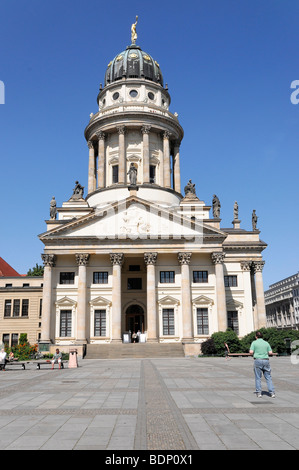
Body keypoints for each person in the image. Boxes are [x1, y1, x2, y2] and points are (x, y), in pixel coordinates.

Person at [249, 331, 275, 398]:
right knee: (268, 377)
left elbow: (251, 352)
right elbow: (270, 352)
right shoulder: (266, 343)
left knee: (258, 377)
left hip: (257, 360)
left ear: (256, 336)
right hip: (266, 360)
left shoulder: (254, 342)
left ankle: (259, 393)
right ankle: (272, 393)